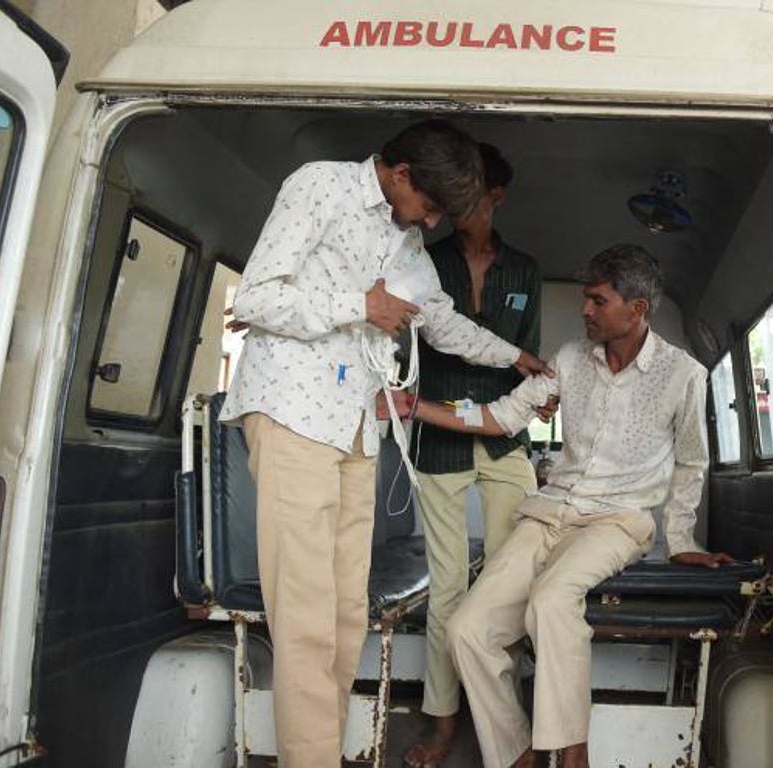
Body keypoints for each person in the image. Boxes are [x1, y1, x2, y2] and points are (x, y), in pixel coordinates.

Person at [219, 119, 550, 768]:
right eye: (427, 207)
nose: (429, 224)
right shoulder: (319, 187)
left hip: (353, 426)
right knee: (308, 618)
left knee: (345, 616)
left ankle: (316, 754)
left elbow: (447, 326)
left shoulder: (405, 246)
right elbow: (256, 298)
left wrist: (519, 359)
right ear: (400, 174)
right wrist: (358, 305)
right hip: (292, 412)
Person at [382, 244, 732, 768]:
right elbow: (501, 416)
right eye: (586, 300)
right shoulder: (571, 358)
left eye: (598, 300)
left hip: (618, 521)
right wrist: (418, 408)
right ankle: (516, 751)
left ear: (636, 310)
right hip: (549, 511)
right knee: (467, 629)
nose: (585, 311)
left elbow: (691, 463)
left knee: (549, 600)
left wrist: (680, 540)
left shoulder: (684, 375)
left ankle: (574, 754)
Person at [404, 143, 543, 768]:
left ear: (497, 197)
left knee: (507, 584)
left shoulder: (526, 270)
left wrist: (537, 398)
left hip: (507, 439)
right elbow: (422, 346)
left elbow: (531, 359)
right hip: (439, 436)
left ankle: (503, 715)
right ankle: (441, 720)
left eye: (475, 194)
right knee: (447, 588)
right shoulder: (423, 263)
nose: (461, 206)